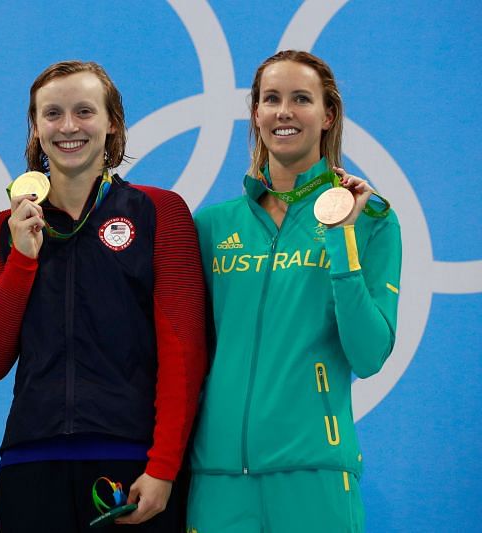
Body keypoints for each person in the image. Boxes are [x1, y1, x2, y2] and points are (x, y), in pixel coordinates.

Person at [0, 60, 207, 532]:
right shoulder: (3, 229)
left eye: (84, 111)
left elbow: (184, 353)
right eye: (52, 114)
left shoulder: (160, 212)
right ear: (36, 127)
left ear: (111, 122)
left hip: (131, 461)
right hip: (29, 463)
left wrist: (162, 467)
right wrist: (23, 258)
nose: (68, 126)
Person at [186, 50, 402, 533]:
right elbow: (187, 354)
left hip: (315, 473)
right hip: (217, 479)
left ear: (328, 115)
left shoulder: (373, 221)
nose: (284, 111)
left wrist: (342, 238)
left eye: (301, 99)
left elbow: (368, 355)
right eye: (271, 99)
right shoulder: (213, 225)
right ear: (256, 115)